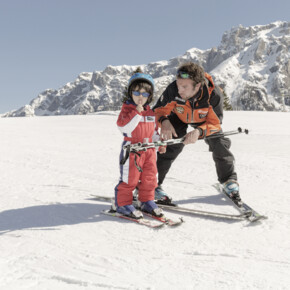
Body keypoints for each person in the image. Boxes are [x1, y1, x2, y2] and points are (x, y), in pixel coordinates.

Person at [153, 62, 241, 205]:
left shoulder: (213, 94)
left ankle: (228, 181)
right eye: (178, 85)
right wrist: (164, 120)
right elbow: (157, 110)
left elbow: (215, 122)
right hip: (179, 117)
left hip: (205, 120)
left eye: (184, 87)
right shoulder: (173, 90)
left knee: (219, 143)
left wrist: (199, 131)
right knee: (170, 145)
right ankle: (152, 184)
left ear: (198, 85)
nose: (179, 90)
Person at [113, 68, 165, 219]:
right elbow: (124, 127)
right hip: (132, 150)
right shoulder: (127, 110)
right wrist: (136, 112)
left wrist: (159, 143)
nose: (140, 97)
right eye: (136, 93)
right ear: (131, 94)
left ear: (150, 96)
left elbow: (154, 132)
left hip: (148, 151)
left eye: (144, 94)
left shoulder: (150, 113)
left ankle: (146, 201)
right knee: (130, 178)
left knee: (150, 177)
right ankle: (122, 204)